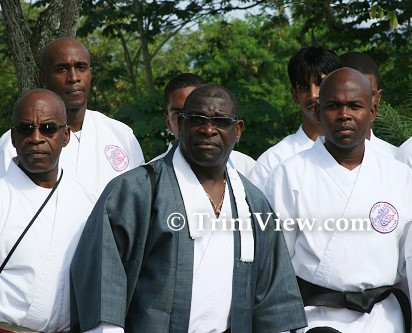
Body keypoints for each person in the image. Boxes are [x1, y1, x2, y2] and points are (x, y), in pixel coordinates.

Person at [70, 84, 307, 332]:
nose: (208, 130)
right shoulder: (135, 191)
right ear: (181, 125)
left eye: (220, 121)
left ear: (237, 130)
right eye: (197, 120)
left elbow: (272, 295)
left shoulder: (253, 203)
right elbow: (104, 280)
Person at [263, 68, 412, 332]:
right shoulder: (288, 174)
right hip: (314, 319)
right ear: (319, 112)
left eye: (354, 106)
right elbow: (274, 269)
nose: (344, 115)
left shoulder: (400, 177)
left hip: (385, 320)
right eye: (333, 106)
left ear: (372, 112)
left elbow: (409, 263)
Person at [0, 89, 97, 332]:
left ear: (65, 136)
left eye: (48, 128)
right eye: (25, 129)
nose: (36, 138)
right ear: (13, 137)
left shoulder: (88, 202)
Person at [0, 37, 144, 197]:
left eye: (81, 67)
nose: (73, 78)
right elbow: (5, 205)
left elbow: (140, 199)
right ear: (44, 78)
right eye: (62, 69)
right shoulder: (16, 143)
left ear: (90, 73)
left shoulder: (121, 135)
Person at [248, 45, 342, 188]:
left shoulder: (361, 153)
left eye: (321, 84)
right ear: (294, 94)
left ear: (339, 87)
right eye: (304, 87)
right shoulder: (273, 161)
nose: (313, 95)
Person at [153, 72, 256, 177]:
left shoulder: (248, 169)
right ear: (169, 121)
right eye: (178, 114)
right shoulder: (150, 178)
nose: (208, 129)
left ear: (237, 129)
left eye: (196, 115)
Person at [340, 51, 398, 157]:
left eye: (368, 94)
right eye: (349, 93)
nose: (360, 101)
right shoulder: (304, 162)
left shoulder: (396, 158)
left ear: (378, 97)